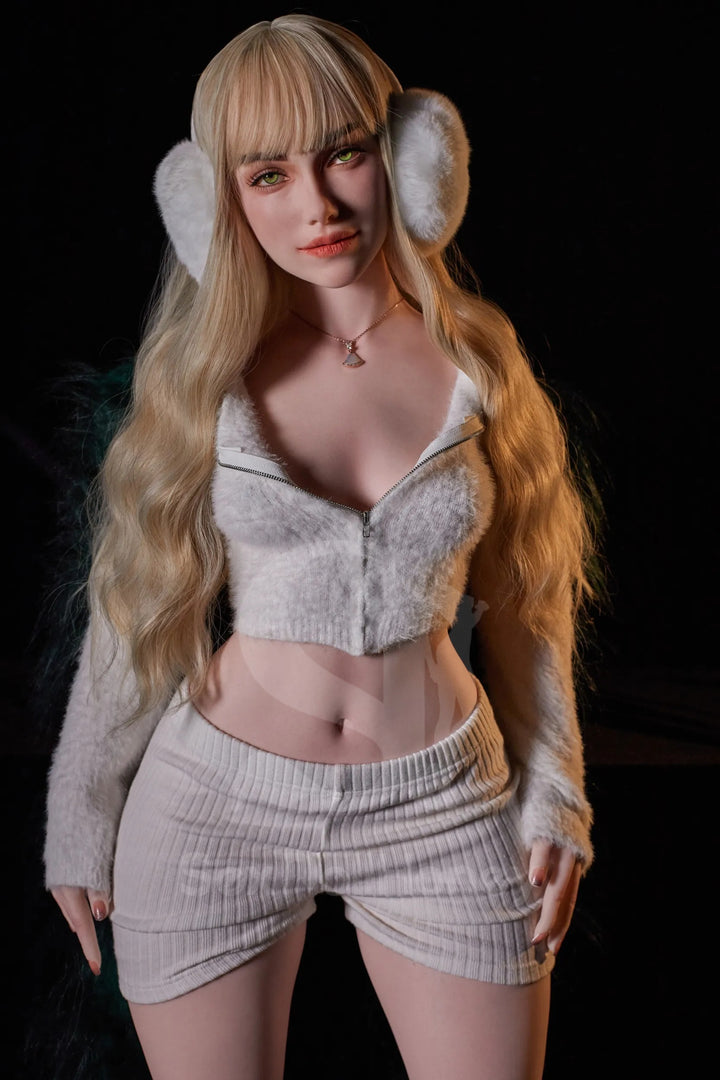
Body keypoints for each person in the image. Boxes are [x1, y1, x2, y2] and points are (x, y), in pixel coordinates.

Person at [43, 13, 600, 1080]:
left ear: (410, 156)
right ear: (215, 201)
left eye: (344, 153)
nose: (317, 205)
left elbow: (533, 597)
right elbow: (138, 604)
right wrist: (80, 812)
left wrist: (556, 790)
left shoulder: (480, 361)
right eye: (268, 175)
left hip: (445, 804)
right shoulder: (203, 377)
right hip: (212, 810)